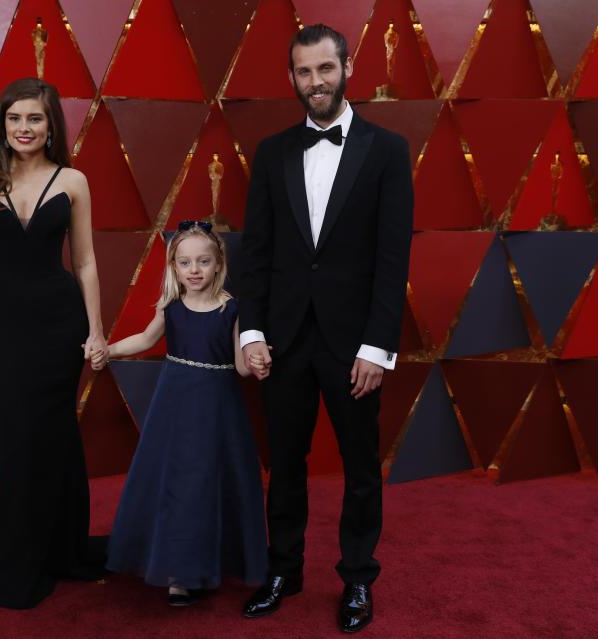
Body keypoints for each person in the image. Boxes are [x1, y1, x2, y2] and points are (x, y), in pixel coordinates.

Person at [238, 24, 414, 633]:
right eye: (304, 72)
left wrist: (378, 347)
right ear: (292, 77)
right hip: (283, 341)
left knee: (361, 469)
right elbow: (255, 252)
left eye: (325, 69)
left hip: (354, 344)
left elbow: (393, 261)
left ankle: (358, 580)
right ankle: (283, 570)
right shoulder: (271, 152)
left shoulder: (388, 150)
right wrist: (251, 331)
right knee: (284, 464)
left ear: (347, 68)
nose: (315, 82)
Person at [0, 78, 108, 609]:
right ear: (2, 123)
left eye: (35, 119)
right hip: (3, 327)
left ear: (51, 126)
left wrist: (95, 330)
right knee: (22, 439)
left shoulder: (74, 181)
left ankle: (62, 551)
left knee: (57, 433)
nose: (24, 128)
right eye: (15, 118)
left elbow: (85, 262)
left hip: (60, 325)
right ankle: (15, 568)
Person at [99, 221, 268, 606]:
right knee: (174, 484)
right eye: (185, 262)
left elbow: (242, 366)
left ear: (218, 263)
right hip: (173, 409)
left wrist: (257, 361)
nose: (194, 270)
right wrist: (108, 350)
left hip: (216, 412)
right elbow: (145, 339)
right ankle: (177, 573)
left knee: (206, 485)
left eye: (203, 261)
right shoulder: (171, 308)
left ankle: (205, 564)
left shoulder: (232, 309)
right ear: (174, 267)